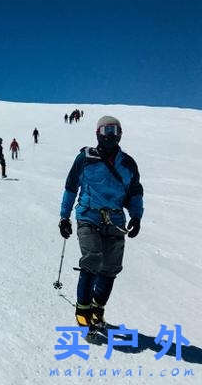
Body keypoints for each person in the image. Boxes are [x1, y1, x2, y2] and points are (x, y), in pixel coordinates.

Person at [58, 116, 143, 330]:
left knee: (110, 268)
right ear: (98, 133)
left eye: (115, 130)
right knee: (93, 259)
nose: (111, 135)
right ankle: (83, 310)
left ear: (121, 133)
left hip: (115, 220)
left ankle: (97, 309)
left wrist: (136, 216)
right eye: (107, 130)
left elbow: (135, 192)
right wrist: (64, 217)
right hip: (88, 216)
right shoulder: (85, 158)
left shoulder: (128, 163)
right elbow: (71, 187)